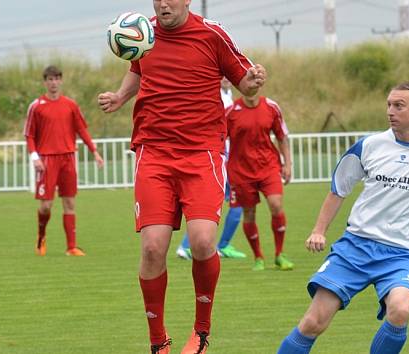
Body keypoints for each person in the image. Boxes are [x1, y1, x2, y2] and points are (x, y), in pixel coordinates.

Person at [97, 1, 266, 353]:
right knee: (152, 247)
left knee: (204, 242)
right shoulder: (143, 33)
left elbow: (245, 84)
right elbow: (138, 68)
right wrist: (120, 96)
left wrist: (251, 81)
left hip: (200, 153)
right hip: (154, 153)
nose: (162, 4)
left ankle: (201, 333)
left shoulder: (212, 34)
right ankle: (158, 341)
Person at [277, 82, 409, 354]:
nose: (391, 111)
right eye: (389, 104)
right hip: (355, 247)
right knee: (313, 322)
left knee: (400, 310)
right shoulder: (369, 145)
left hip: (404, 253)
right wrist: (319, 229)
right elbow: (338, 189)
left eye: (399, 105)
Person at [24, 65, 104, 257]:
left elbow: (81, 130)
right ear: (45, 82)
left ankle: (71, 247)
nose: (53, 83)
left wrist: (94, 151)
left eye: (57, 79)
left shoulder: (70, 105)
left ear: (61, 81)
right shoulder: (37, 106)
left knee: (69, 203)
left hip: (68, 158)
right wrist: (35, 157)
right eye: (50, 79)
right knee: (46, 205)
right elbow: (29, 135)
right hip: (47, 160)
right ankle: (41, 236)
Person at [176, 77, 246, 260]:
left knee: (218, 203)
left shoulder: (227, 94)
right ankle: (218, 246)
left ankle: (194, 245)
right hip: (221, 156)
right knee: (234, 202)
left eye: (228, 75)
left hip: (225, 155)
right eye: (222, 75)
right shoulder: (214, 96)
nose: (226, 79)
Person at [225, 93, 293, 271]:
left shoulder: (271, 107)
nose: (252, 83)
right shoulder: (230, 112)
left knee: (276, 204)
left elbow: (282, 136)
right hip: (241, 171)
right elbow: (216, 139)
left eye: (256, 79)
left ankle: (280, 254)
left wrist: (288, 164)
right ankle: (258, 257)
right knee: (249, 213)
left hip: (268, 167)